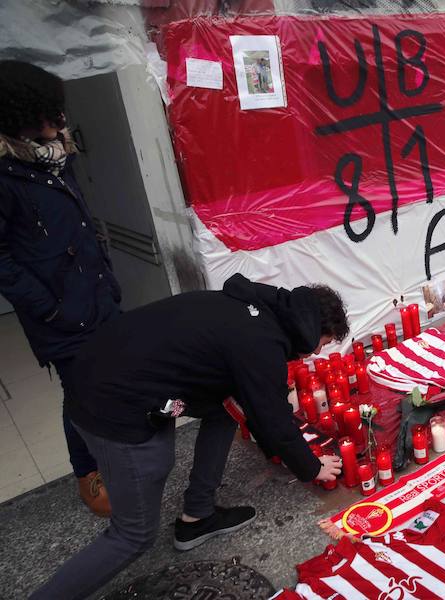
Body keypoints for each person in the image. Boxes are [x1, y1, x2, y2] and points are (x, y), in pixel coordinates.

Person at [30, 273, 349, 598]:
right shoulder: (261, 342)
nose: (315, 354)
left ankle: (197, 517)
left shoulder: (257, 308)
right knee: (134, 533)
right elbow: (273, 420)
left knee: (226, 407)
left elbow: (255, 403)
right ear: (310, 329)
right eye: (321, 345)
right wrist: (311, 467)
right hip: (110, 401)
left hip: (104, 367)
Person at [0, 61, 121, 516]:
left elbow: (80, 224)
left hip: (97, 293)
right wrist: (47, 308)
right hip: (59, 310)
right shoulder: (5, 174)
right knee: (81, 390)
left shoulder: (57, 155)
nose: (60, 121)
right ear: (20, 114)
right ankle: (86, 471)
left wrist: (106, 277)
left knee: (115, 372)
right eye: (49, 112)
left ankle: (122, 447)